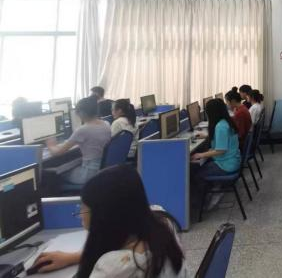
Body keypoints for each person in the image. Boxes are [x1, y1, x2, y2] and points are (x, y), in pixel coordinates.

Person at [31, 165, 187, 277]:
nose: (80, 214)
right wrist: (72, 258)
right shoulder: (163, 221)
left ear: (104, 217)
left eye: (84, 209)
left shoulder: (113, 267)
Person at [46, 96, 111, 187]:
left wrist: (50, 145)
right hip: (103, 170)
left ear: (81, 113)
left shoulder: (83, 130)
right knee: (71, 165)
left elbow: (58, 152)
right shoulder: (106, 124)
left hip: (88, 174)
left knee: (58, 172)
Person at [191, 98, 241, 176]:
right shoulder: (226, 121)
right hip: (233, 160)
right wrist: (207, 136)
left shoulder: (221, 127)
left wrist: (200, 155)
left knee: (195, 173)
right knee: (201, 162)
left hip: (226, 165)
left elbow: (220, 151)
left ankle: (215, 183)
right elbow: (225, 138)